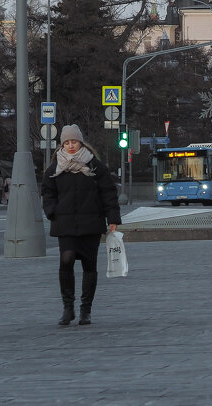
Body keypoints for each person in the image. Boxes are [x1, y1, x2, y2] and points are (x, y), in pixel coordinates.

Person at [41, 124, 121, 327]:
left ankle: (86, 310)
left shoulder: (95, 166)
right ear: (62, 145)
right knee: (66, 260)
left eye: (73, 142)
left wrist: (112, 218)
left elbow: (108, 193)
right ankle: (68, 308)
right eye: (66, 142)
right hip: (65, 223)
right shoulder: (54, 169)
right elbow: (47, 193)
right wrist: (52, 212)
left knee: (89, 265)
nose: (70, 146)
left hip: (90, 223)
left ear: (81, 142)